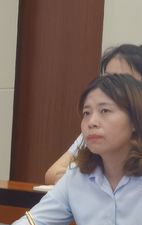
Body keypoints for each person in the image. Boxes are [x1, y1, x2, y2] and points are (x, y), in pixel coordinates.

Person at [14, 73, 142, 225]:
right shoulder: (77, 176)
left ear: (135, 121)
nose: (92, 122)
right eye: (86, 113)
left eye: (105, 111)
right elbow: (31, 223)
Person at [44, 44, 142, 184]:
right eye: (107, 78)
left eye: (122, 79)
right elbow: (53, 173)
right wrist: (88, 187)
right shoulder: (97, 128)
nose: (111, 86)